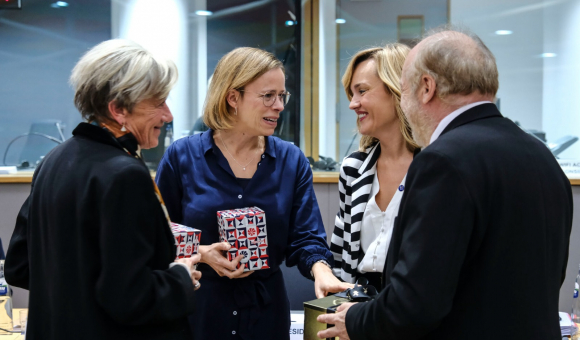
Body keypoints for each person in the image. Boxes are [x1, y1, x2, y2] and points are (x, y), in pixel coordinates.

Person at [317, 27, 573, 340]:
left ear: (426, 87)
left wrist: (356, 320)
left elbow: (415, 303)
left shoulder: (443, 161)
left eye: (404, 89)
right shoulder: (541, 157)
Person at [5, 39, 201, 340]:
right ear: (119, 109)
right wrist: (181, 278)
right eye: (158, 102)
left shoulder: (54, 160)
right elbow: (130, 298)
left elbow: (20, 267)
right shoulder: (125, 175)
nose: (168, 115)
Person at [155, 47, 350, 340]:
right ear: (233, 97)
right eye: (268, 95)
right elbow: (158, 234)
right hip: (198, 314)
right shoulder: (181, 156)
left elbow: (306, 236)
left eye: (283, 96)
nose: (279, 105)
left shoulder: (291, 160)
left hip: (265, 315)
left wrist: (322, 271)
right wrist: (202, 253)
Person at [330, 43, 419, 291]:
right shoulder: (353, 168)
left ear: (397, 89)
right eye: (352, 94)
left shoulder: (435, 168)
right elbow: (338, 256)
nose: (353, 104)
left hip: (414, 310)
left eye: (362, 91)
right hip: (359, 310)